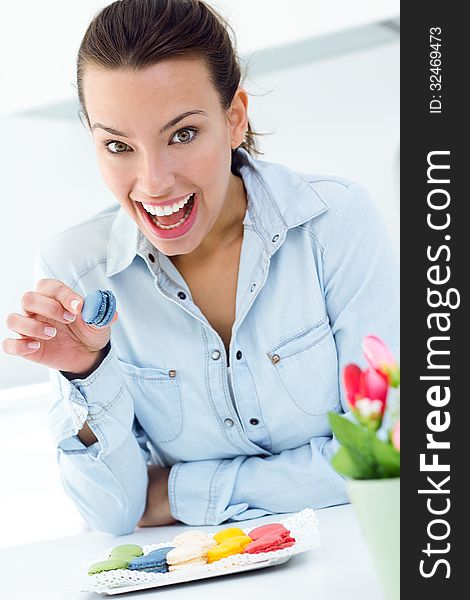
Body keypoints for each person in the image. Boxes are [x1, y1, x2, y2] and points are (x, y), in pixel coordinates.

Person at [3, 0, 399, 534]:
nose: (153, 182)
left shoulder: (334, 225)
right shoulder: (76, 271)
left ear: (234, 118)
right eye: (118, 145)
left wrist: (182, 490)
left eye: (182, 134)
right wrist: (86, 373)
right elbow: (115, 512)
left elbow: (389, 456)